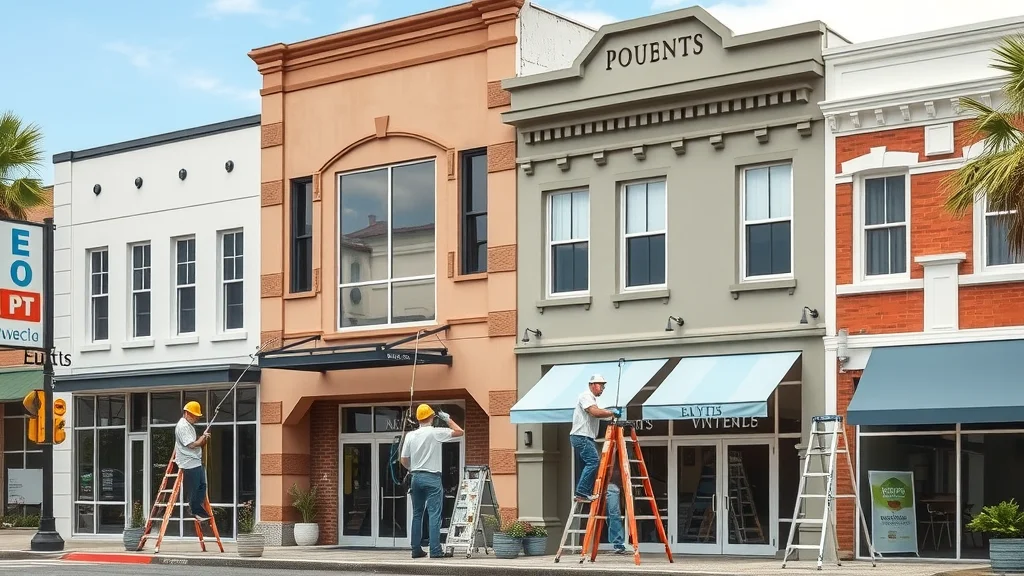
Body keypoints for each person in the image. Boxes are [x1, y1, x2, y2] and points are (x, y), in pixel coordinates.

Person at [400, 403, 463, 559]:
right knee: (434, 514)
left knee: (417, 514)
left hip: (415, 477)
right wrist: (446, 418)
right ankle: (435, 550)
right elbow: (459, 431)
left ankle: (416, 549)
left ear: (418, 419)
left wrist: (411, 469)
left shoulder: (410, 436)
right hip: (432, 478)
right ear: (431, 417)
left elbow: (403, 460)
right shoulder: (435, 433)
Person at [570, 374, 621, 502]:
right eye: (601, 385)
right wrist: (612, 412)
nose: (603, 388)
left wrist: (609, 416)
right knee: (593, 461)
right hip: (582, 436)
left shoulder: (591, 399)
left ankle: (583, 492)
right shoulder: (586, 396)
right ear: (592, 385)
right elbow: (595, 412)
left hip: (585, 437)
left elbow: (597, 414)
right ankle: (582, 492)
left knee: (587, 465)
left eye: (604, 386)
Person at [175, 401, 211, 521]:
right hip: (188, 462)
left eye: (197, 416)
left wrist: (204, 438)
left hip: (194, 460)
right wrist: (203, 437)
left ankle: (198, 510)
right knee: (195, 487)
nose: (196, 418)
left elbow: (199, 445)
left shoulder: (188, 425)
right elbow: (192, 445)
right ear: (187, 413)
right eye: (194, 416)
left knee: (202, 485)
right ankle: (194, 510)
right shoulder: (183, 426)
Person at [606, 465, 628, 554]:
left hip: (613, 484)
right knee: (612, 514)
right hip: (607, 484)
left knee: (613, 514)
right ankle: (618, 543)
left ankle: (618, 543)